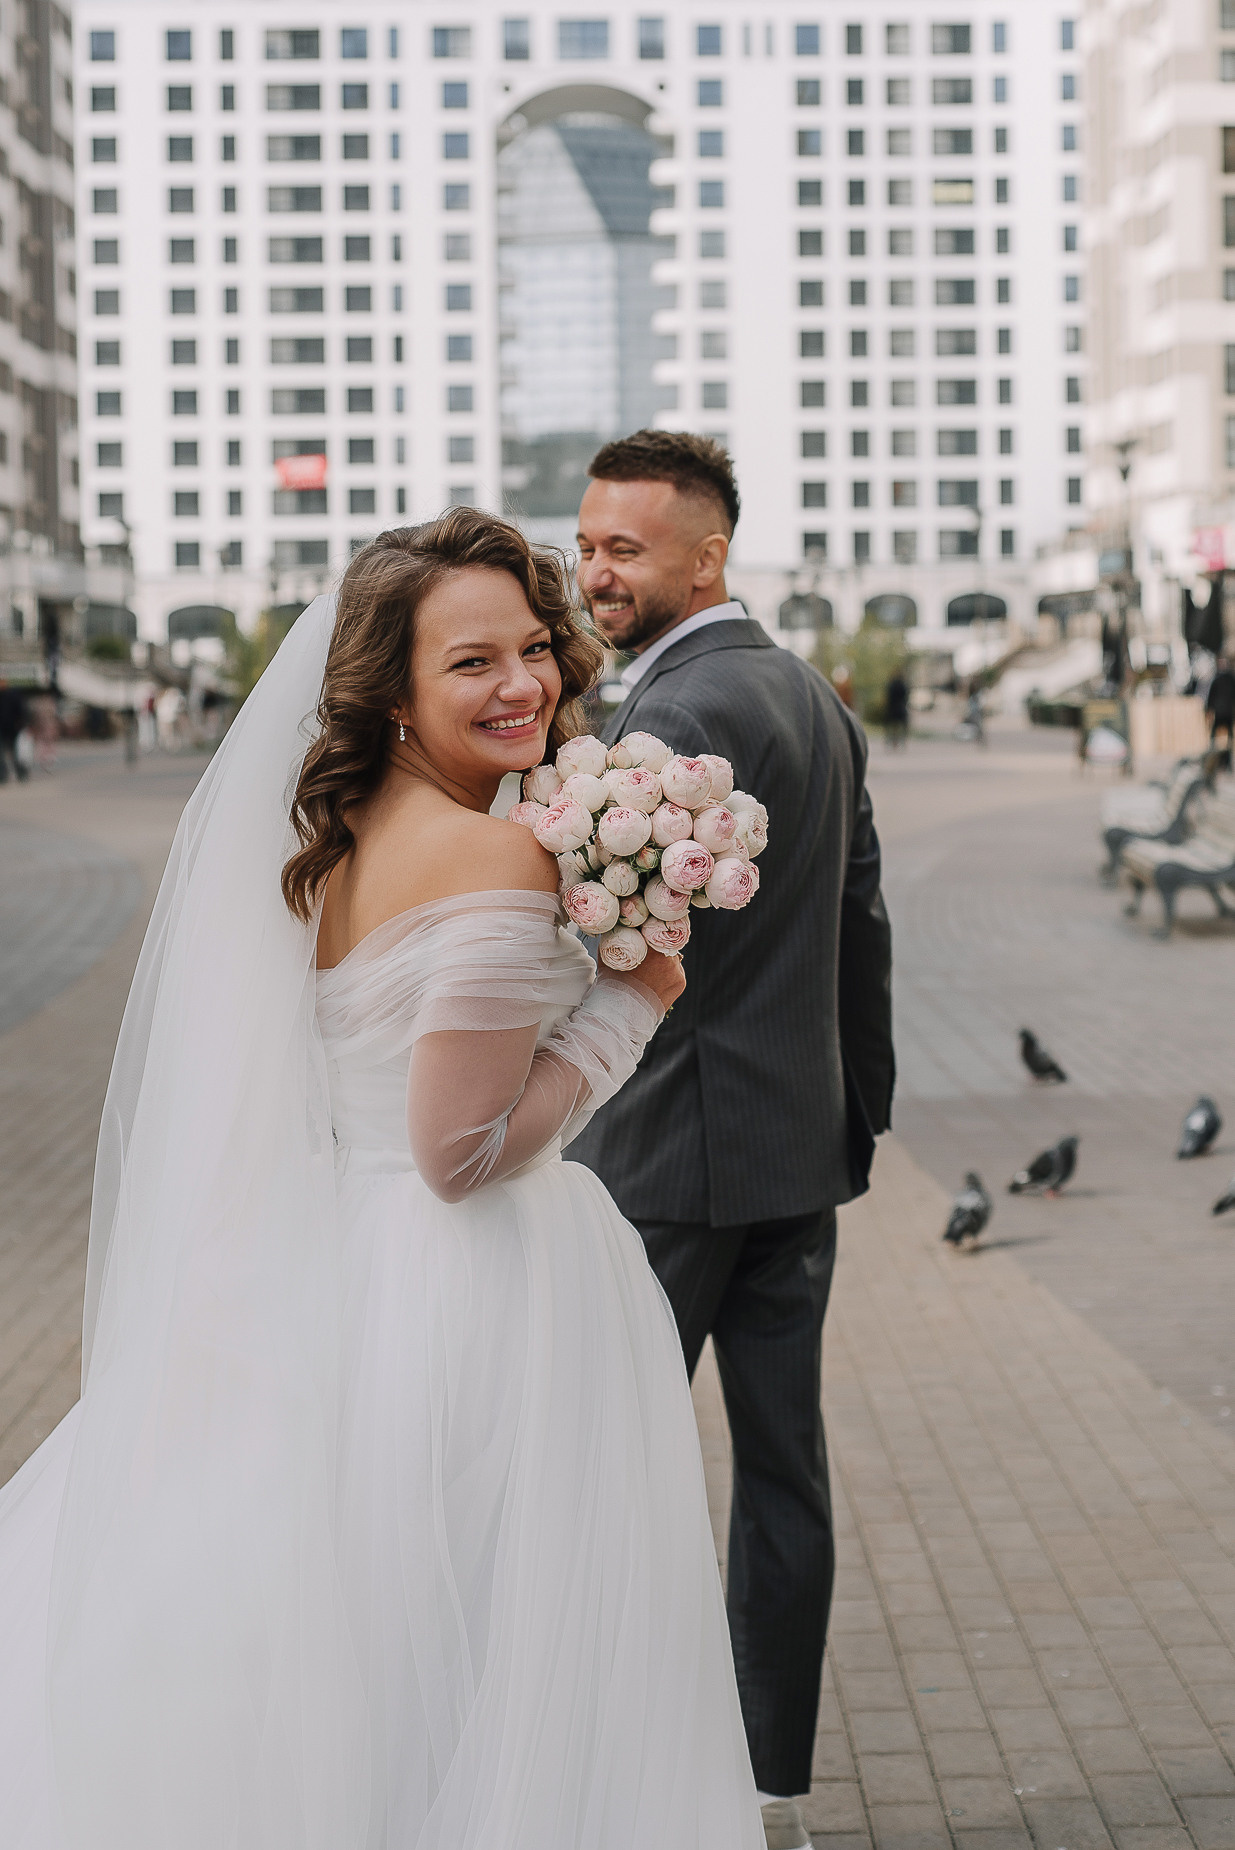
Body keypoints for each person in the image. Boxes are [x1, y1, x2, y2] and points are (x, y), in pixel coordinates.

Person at [0, 510, 764, 1850]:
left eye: (532, 646)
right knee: (484, 1650)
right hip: (469, 1287)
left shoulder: (337, 831)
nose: (522, 681)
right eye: (471, 661)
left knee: (371, 1649)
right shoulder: (493, 855)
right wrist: (631, 1002)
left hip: (328, 1259)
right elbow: (457, 1154)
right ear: (393, 692)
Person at [571, 431, 895, 1850]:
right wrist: (851, 1110)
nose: (595, 571)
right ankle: (769, 1786)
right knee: (781, 1475)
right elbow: (860, 923)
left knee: (600, 1464)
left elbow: (611, 947)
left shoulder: (678, 708)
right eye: (586, 543)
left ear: (705, 556)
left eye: (624, 549)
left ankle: (617, 1771)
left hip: (667, 1160)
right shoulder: (809, 697)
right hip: (789, 1154)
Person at [1206, 654, 1235, 769]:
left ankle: (1219, 760)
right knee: (1224, 738)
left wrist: (1208, 709)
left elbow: (1210, 697)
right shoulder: (1229, 679)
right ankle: (1221, 760)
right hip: (1225, 712)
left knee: (1217, 738)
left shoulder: (1221, 679)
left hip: (1222, 712)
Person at [0, 676, 30, 783]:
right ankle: (2, 775)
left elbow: (21, 711)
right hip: (2, 729)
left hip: (13, 729)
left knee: (16, 753)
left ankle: (21, 773)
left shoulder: (13, 695)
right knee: (1, 753)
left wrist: (21, 724)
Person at [883, 668, 910, 748]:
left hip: (892, 707)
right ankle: (902, 740)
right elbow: (906, 697)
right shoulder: (903, 685)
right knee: (903, 725)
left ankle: (892, 740)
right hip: (900, 707)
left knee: (891, 725)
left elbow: (888, 696)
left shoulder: (892, 684)